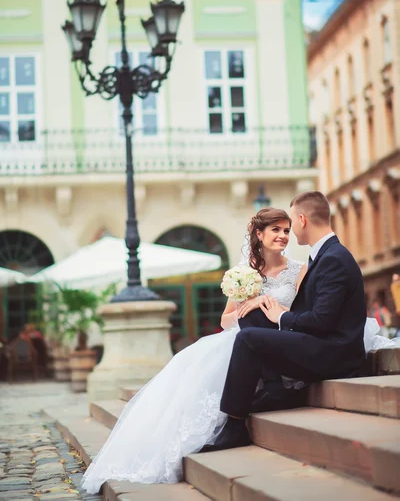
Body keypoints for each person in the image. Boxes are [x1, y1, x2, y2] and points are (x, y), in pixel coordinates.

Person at [82, 207, 305, 492]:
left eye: (286, 230)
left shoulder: (299, 270)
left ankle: (267, 389)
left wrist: (269, 306)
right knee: (197, 363)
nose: (283, 236)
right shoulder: (243, 273)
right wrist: (244, 308)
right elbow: (225, 320)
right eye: (276, 230)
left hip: (280, 335)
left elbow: (301, 314)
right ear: (259, 234)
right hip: (245, 336)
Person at [202, 191, 367, 452]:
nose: (287, 233)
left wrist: (280, 315)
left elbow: (321, 320)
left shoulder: (333, 259)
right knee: (252, 317)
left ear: (301, 220)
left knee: (247, 337)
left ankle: (236, 425)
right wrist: (267, 309)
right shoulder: (326, 256)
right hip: (321, 342)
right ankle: (273, 390)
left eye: (289, 224)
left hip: (335, 353)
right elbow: (316, 314)